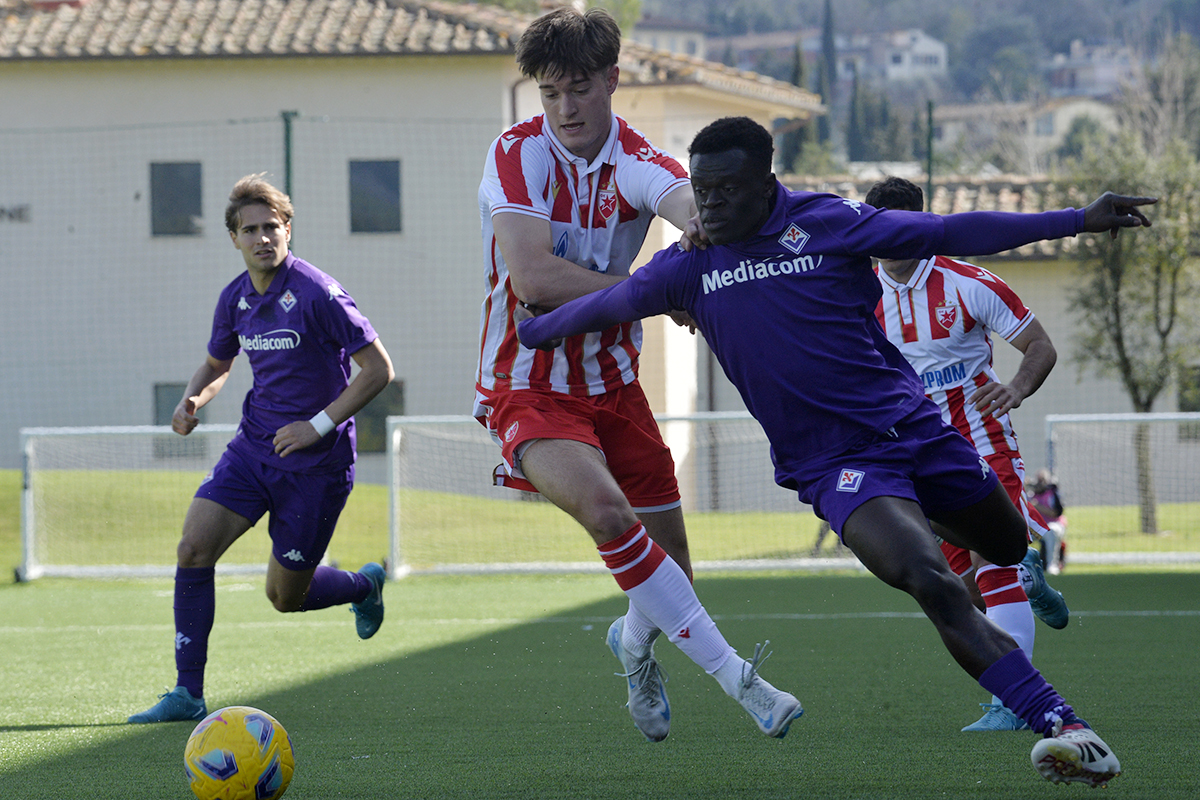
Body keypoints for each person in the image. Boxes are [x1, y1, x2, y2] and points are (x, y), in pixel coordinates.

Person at [517, 116, 1154, 786]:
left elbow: (947, 232)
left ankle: (1001, 553)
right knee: (930, 579)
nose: (708, 207)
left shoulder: (829, 223)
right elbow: (611, 303)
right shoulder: (688, 268)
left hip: (918, 432)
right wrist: (532, 334)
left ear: (767, 183)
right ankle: (1065, 726)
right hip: (836, 466)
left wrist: (1077, 219)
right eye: (700, 192)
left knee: (1003, 542)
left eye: (725, 191)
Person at [474, 8, 800, 743]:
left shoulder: (635, 157)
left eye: (579, 89)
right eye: (550, 93)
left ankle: (630, 643)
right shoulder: (516, 153)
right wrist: (656, 286)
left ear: (613, 81)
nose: (565, 108)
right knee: (609, 515)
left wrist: (696, 235)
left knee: (671, 569)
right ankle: (742, 683)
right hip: (527, 383)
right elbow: (532, 278)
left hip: (616, 388)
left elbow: (685, 203)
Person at [129, 174, 395, 724]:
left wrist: (316, 426)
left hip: (315, 468)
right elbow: (218, 363)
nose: (262, 238)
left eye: (271, 227)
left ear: (287, 229)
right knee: (192, 550)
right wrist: (192, 399)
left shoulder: (318, 292)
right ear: (234, 239)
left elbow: (378, 371)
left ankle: (362, 584)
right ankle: (187, 694)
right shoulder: (235, 298)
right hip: (252, 452)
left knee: (285, 597)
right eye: (249, 230)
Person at [865, 176, 1070, 732]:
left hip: (980, 437)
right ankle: (1029, 572)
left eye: (896, 228)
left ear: (920, 226)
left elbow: (1040, 345)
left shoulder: (968, 283)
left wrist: (1018, 388)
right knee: (965, 586)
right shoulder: (855, 290)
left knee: (992, 564)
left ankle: (1013, 701)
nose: (883, 240)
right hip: (911, 448)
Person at [1029, 468, 1068, 574]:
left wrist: (1037, 506)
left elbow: (1056, 513)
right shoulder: (1032, 495)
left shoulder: (1052, 494)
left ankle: (1052, 565)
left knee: (1051, 532)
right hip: (1038, 527)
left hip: (1054, 525)